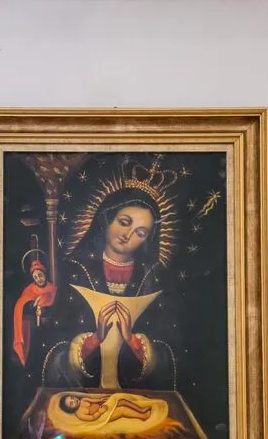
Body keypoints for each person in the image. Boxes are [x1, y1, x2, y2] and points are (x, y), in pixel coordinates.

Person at [43, 163, 180, 392]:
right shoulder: (77, 271)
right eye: (124, 222)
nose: (127, 235)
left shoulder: (152, 278)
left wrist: (134, 342)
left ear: (147, 239)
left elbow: (171, 351)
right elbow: (53, 347)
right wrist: (92, 341)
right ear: (107, 218)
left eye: (140, 232)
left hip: (136, 396)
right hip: (83, 395)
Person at [13, 259, 57, 366]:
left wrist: (45, 312)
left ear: (45, 274)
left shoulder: (52, 289)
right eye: (35, 277)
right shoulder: (29, 290)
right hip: (32, 328)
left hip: (49, 327)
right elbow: (20, 306)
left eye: (40, 275)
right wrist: (33, 306)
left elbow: (55, 308)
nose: (39, 279)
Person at [59, 393, 152, 423]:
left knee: (121, 401)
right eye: (71, 403)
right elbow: (92, 418)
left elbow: (94, 401)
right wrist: (99, 412)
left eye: (72, 398)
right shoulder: (80, 414)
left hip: (103, 406)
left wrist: (101, 399)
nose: (74, 400)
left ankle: (140, 409)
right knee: (122, 410)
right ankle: (142, 416)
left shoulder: (83, 400)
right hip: (102, 417)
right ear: (70, 409)